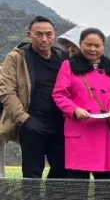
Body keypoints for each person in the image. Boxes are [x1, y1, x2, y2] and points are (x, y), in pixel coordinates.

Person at [51, 28, 110, 200]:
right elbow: (59, 94)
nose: (92, 49)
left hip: (106, 132)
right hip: (80, 131)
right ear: (80, 45)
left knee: (105, 184)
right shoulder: (68, 66)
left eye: (97, 45)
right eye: (88, 44)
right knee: (77, 186)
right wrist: (74, 109)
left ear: (103, 46)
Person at [0, 16, 70, 180]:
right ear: (29, 34)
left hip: (61, 122)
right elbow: (6, 90)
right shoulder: (16, 57)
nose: (44, 39)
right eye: (39, 34)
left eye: (48, 34)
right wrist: (24, 118)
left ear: (54, 34)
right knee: (32, 172)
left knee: (61, 169)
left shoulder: (64, 58)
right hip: (32, 121)